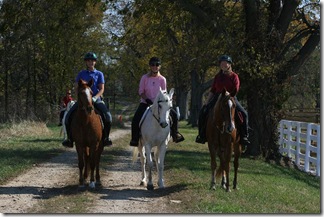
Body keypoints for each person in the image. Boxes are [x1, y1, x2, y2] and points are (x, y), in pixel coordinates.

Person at [195, 55, 251, 151]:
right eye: (221, 63)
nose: (223, 65)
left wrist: (229, 95)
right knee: (203, 113)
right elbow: (213, 90)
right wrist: (207, 102)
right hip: (217, 97)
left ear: (229, 65)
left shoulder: (234, 76)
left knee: (244, 114)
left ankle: (244, 136)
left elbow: (236, 88)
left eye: (225, 63)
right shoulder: (217, 77)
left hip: (231, 97)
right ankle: (202, 135)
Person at [129, 57, 185, 147]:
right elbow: (141, 91)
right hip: (146, 103)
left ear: (159, 66)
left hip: (159, 104)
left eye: (157, 65)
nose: (155, 66)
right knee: (136, 119)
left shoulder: (162, 79)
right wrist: (147, 99)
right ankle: (135, 138)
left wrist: (165, 101)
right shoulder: (145, 78)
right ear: (150, 66)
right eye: (152, 65)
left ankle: (175, 134)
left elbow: (164, 92)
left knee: (174, 115)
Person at [62, 52, 112, 148]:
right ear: (86, 62)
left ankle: (106, 138)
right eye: (88, 61)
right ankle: (69, 139)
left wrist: (95, 97)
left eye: (92, 61)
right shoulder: (81, 73)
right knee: (68, 117)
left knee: (108, 117)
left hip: (96, 99)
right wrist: (79, 96)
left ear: (95, 62)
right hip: (82, 100)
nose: (90, 62)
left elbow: (102, 89)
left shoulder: (99, 74)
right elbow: (76, 86)